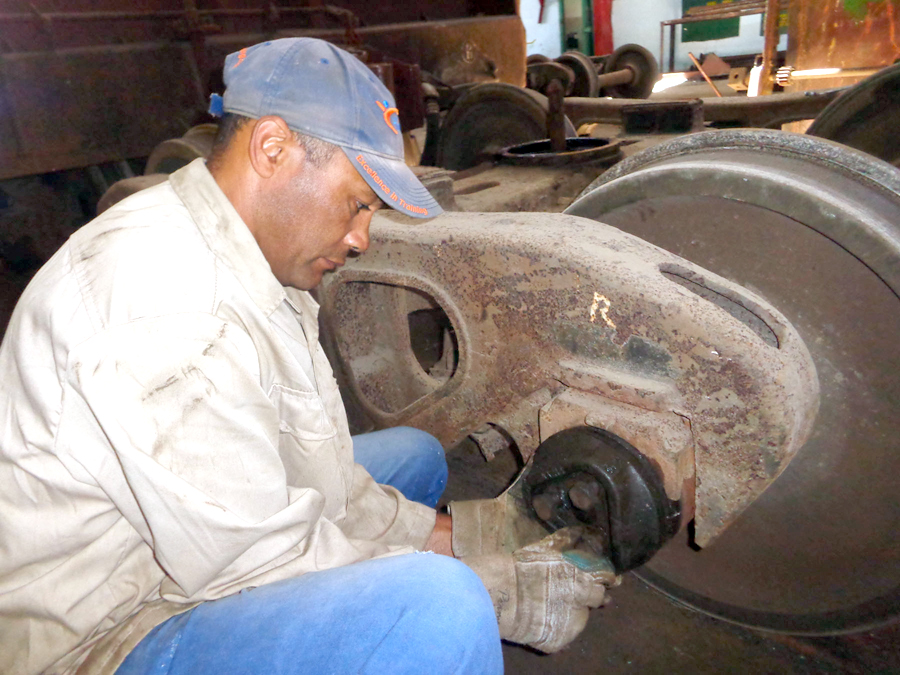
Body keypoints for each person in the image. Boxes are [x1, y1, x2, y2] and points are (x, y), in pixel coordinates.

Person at [0, 38, 611, 675]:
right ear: (272, 149)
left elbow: (322, 476)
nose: (361, 237)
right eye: (358, 203)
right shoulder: (164, 309)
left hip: (179, 548)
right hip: (107, 632)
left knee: (414, 454)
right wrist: (499, 591)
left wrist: (479, 540)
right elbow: (256, 561)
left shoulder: (240, 251)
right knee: (442, 609)